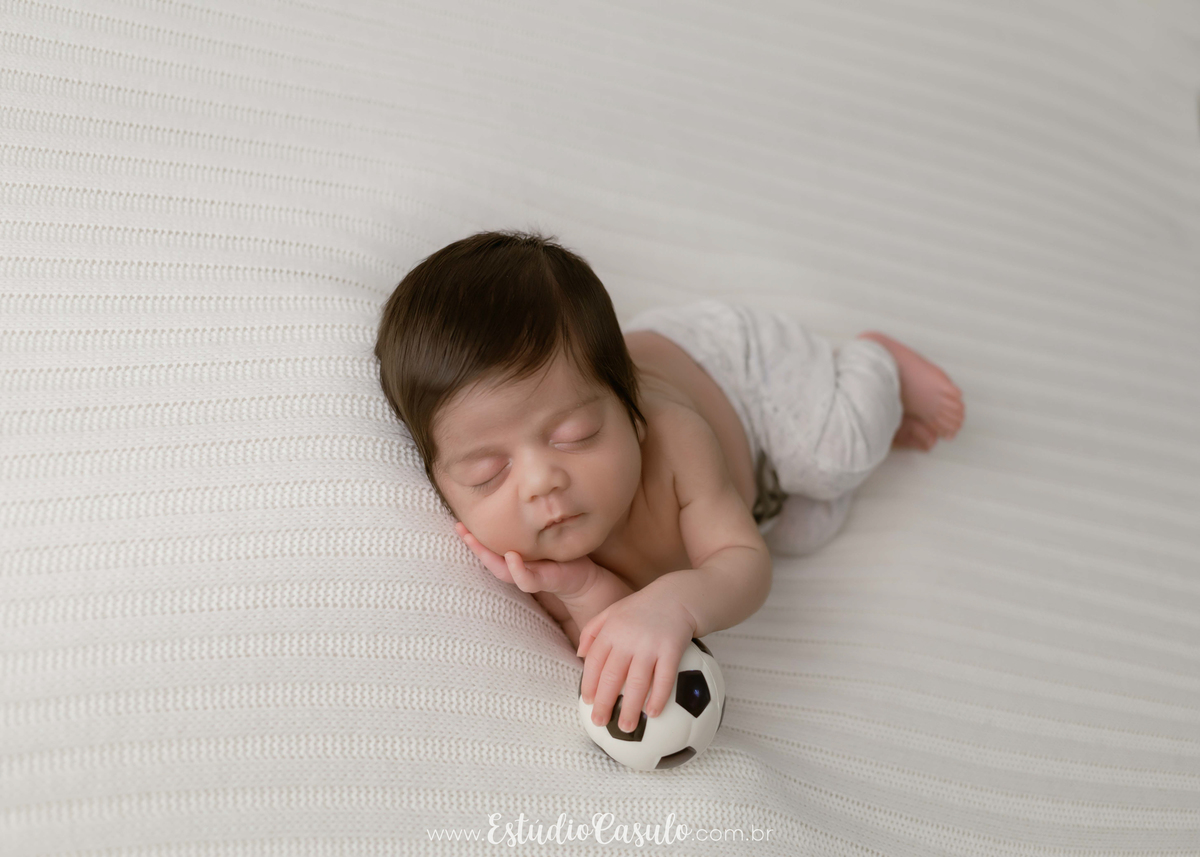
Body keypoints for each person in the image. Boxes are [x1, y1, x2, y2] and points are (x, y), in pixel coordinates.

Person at [374, 229, 964, 738]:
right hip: (743, 478)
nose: (539, 482)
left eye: (575, 434)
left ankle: (874, 367)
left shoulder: (675, 437)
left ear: (630, 408)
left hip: (735, 375)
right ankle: (853, 424)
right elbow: (609, 626)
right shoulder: (527, 553)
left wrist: (676, 602)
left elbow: (745, 564)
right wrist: (581, 587)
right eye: (487, 473)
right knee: (809, 528)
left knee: (837, 455)